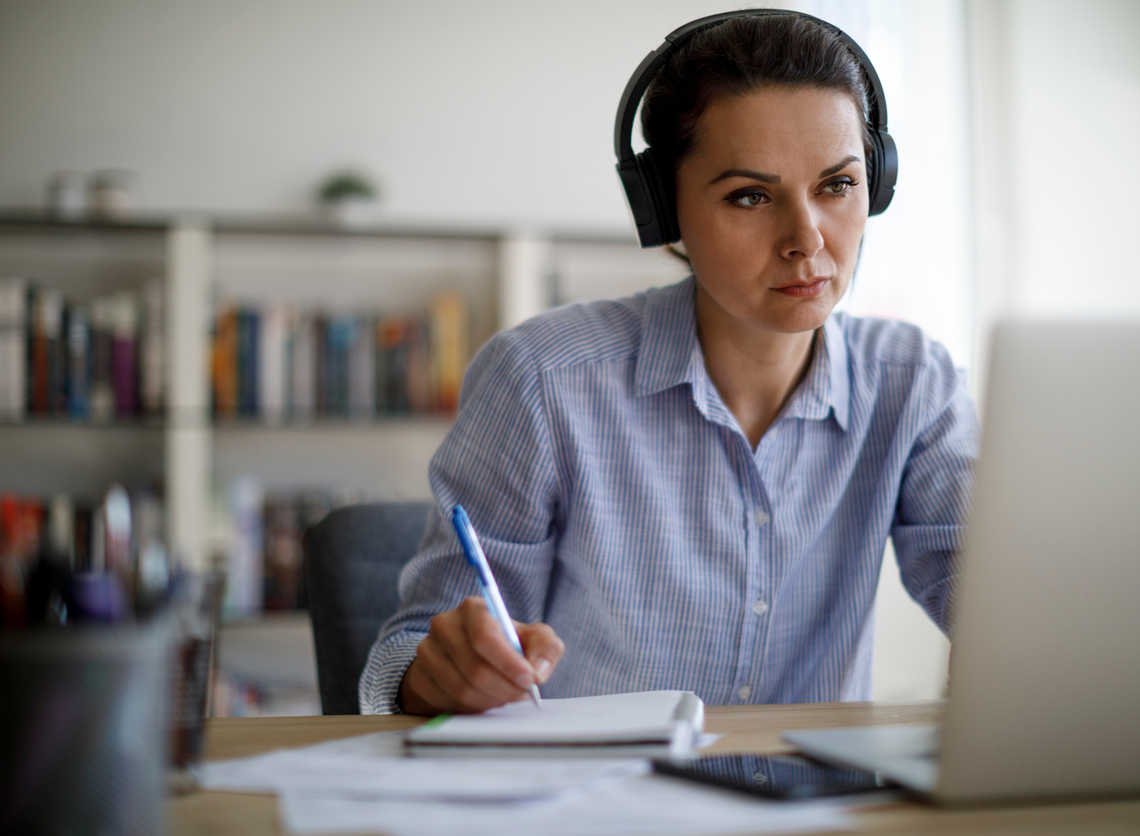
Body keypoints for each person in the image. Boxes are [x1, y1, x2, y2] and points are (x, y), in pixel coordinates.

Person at [360, 9, 978, 715]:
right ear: (663, 211)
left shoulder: (915, 386)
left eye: (837, 185)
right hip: (593, 808)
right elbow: (415, 649)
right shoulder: (543, 381)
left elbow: (1000, 607)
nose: (807, 241)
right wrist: (440, 673)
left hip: (818, 815)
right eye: (750, 196)